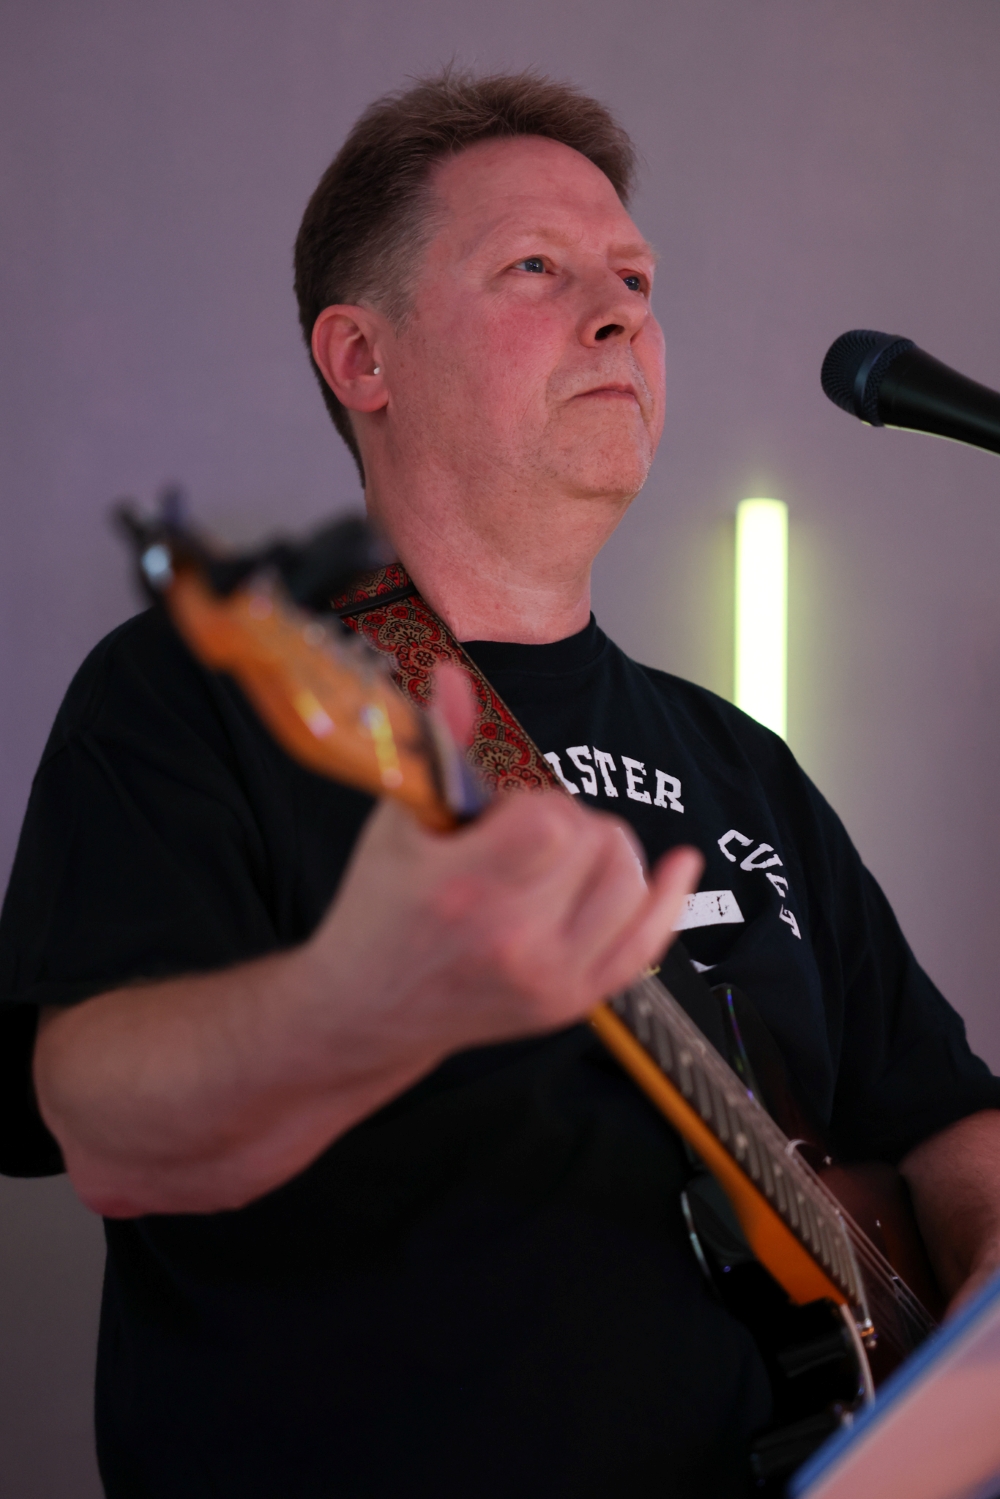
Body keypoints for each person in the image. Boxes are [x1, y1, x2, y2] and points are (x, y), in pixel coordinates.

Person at [2, 69, 999, 1499]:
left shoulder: (740, 760)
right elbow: (97, 1128)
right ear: (363, 357)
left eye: (635, 280)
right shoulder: (202, 694)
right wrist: (355, 1003)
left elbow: (944, 1112)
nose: (620, 315)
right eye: (537, 268)